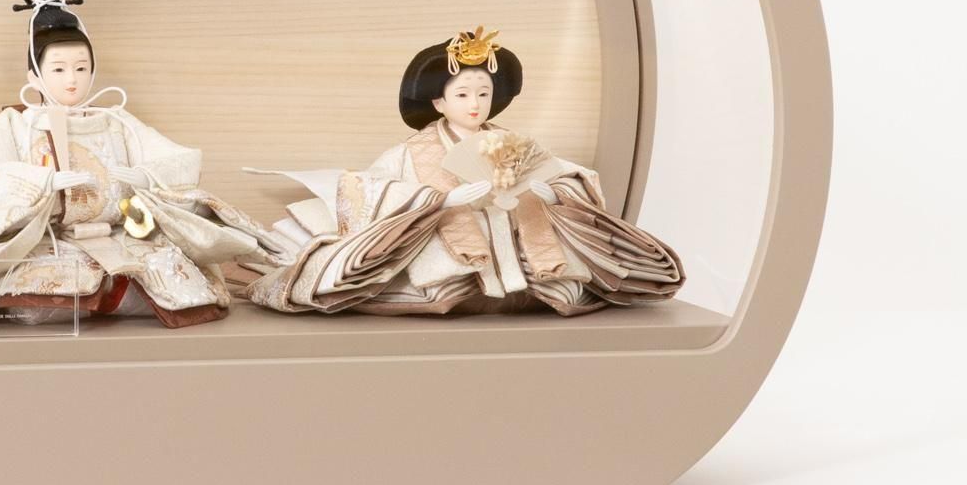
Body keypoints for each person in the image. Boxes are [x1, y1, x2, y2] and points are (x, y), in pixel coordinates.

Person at [0, 0, 288, 329]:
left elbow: (179, 158)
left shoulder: (116, 121)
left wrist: (146, 177)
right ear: (34, 75)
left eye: (81, 68)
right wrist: (43, 183)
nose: (72, 80)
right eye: (59, 70)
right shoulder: (18, 124)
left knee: (165, 279)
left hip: (118, 233)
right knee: (30, 298)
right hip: (47, 238)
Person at [250, 26, 683, 316]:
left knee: (563, 288)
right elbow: (369, 188)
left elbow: (571, 176)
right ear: (438, 102)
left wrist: (552, 193)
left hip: (520, 251)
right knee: (438, 289)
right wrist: (437, 201)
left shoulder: (513, 143)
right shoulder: (411, 152)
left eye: (483, 93)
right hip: (448, 249)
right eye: (462, 94)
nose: (475, 104)